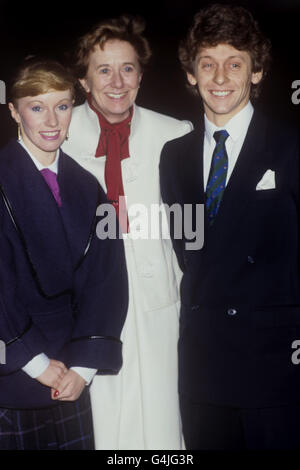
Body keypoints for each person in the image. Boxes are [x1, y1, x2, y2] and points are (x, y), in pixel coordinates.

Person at [160, 3, 300, 450]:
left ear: (255, 72)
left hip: (274, 369)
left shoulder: (290, 146)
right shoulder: (174, 156)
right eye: (208, 64)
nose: (220, 78)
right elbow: (189, 251)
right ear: (190, 74)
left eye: (234, 63)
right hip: (203, 371)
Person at [62, 15, 192, 449]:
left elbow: (189, 234)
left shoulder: (175, 134)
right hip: (88, 313)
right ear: (83, 79)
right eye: (104, 69)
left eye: (128, 68)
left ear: (141, 75)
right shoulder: (56, 135)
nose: (117, 81)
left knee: (162, 425)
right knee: (102, 426)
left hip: (159, 311)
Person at [0, 58, 128, 450]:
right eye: (37, 106)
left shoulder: (87, 187)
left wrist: (85, 367)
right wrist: (34, 362)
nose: (52, 120)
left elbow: (108, 279)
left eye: (63, 105)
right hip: (14, 374)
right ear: (13, 111)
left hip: (71, 374)